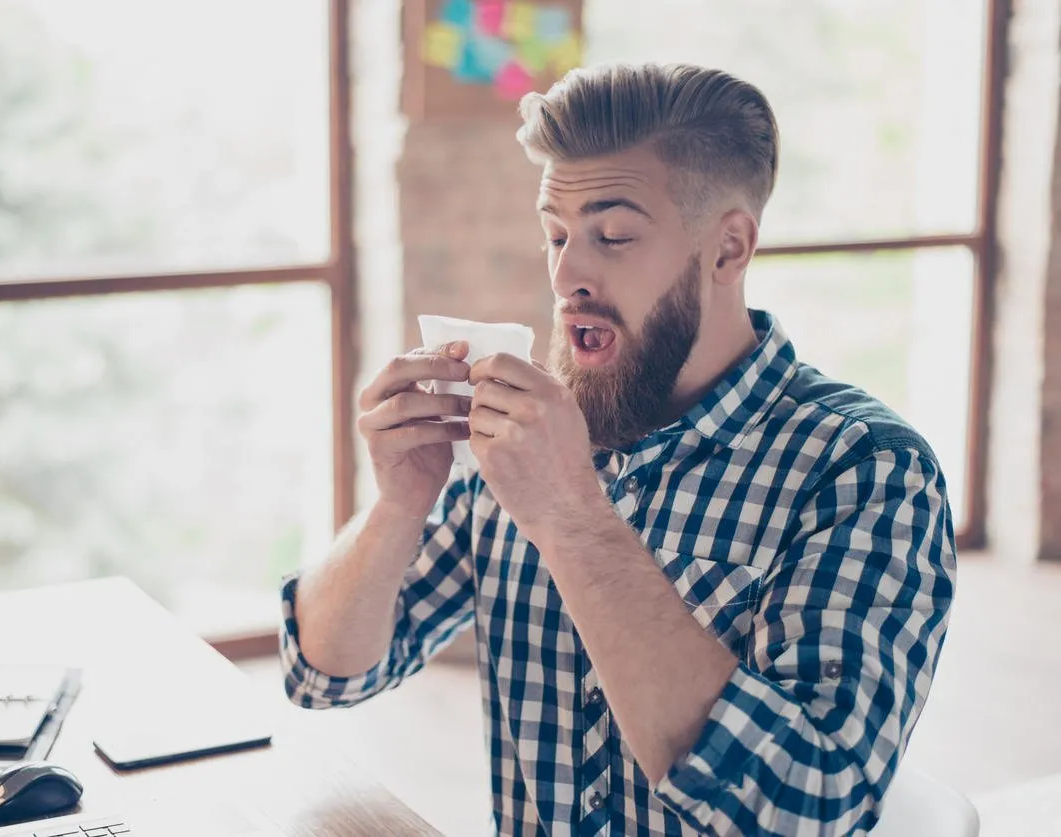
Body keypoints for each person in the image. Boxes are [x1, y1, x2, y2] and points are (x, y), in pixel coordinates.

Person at [278, 62, 956, 836]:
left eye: (614, 235)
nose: (567, 274)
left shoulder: (864, 471)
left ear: (729, 250)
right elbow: (321, 673)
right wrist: (399, 502)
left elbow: (803, 809)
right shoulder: (528, 446)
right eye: (556, 236)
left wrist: (573, 518)